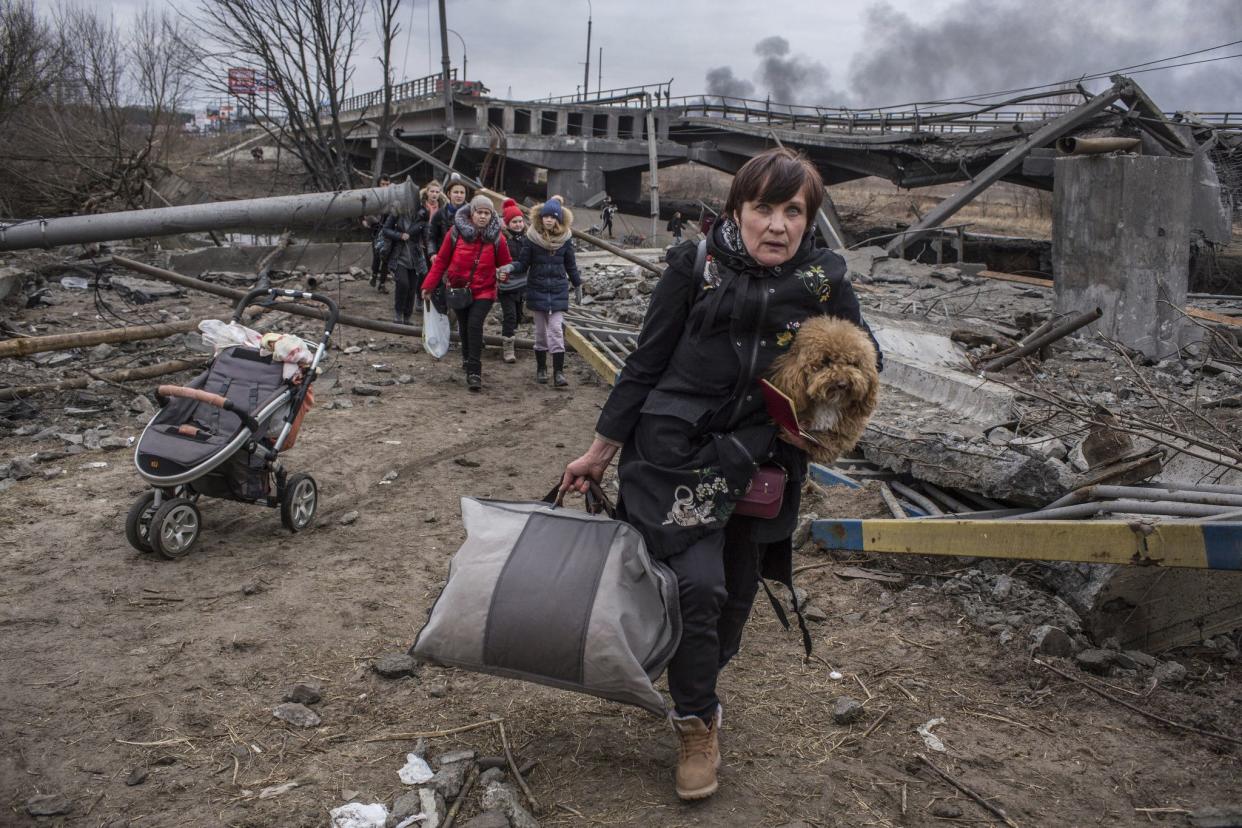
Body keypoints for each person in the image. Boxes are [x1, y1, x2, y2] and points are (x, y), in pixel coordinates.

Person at [559, 148, 881, 801]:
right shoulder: (694, 265)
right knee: (694, 589)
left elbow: (865, 368)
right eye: (763, 206)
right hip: (676, 455)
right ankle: (695, 722)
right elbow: (644, 364)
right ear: (738, 208)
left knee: (733, 601)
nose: (777, 224)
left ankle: (691, 672)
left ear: (808, 219)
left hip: (762, 463)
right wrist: (601, 451)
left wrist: (819, 422)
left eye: (793, 211)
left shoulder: (824, 282)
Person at [422, 194, 511, 392]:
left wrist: (505, 274)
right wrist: (428, 286)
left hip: (485, 290)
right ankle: (466, 358)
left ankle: (474, 371)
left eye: (487, 213)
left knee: (474, 324)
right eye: (479, 212)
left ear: (491, 215)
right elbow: (442, 261)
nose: (483, 217)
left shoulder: (497, 237)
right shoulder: (455, 233)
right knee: (463, 326)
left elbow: (505, 264)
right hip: (458, 289)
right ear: (472, 213)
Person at [501, 195, 581, 387]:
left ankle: (559, 373)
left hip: (558, 290)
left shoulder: (565, 239)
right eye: (545, 216)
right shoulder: (532, 238)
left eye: (552, 217)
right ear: (540, 218)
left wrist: (578, 284)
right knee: (540, 333)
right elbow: (523, 263)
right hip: (537, 289)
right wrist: (511, 267)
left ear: (558, 219)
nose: (548, 220)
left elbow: (571, 265)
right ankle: (541, 368)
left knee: (555, 330)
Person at [380, 197, 430, 325]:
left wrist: (432, 252)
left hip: (415, 257)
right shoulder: (397, 212)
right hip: (398, 255)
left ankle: (407, 316)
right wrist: (399, 235)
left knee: (412, 288)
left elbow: (427, 237)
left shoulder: (423, 215)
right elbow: (385, 229)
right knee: (403, 284)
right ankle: (398, 313)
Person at [497, 198, 529, 364]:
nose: (518, 224)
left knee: (517, 316)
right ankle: (508, 347)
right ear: (507, 224)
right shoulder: (502, 240)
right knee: (509, 315)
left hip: (522, 284)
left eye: (520, 221)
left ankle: (511, 337)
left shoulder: (527, 240)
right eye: (514, 222)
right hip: (505, 284)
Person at [363, 174, 393, 292]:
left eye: (387, 184)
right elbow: (366, 211)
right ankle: (374, 274)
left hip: (389, 230)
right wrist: (370, 222)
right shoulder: (373, 196)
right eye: (383, 184)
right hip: (376, 229)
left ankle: (382, 284)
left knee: (386, 257)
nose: (385, 186)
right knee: (377, 255)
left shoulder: (392, 197)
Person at [427, 175, 469, 259]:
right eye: (456, 192)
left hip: (466, 257)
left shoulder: (471, 213)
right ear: (449, 194)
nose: (459, 195)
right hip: (445, 257)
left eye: (462, 192)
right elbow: (432, 237)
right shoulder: (440, 214)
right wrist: (433, 253)